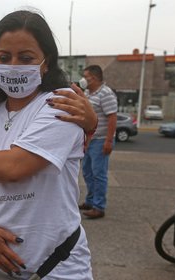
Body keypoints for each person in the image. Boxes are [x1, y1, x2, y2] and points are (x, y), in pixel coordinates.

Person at [0, 10, 92, 279]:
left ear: (46, 63)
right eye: (3, 58)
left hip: (56, 269)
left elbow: (15, 166)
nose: (13, 66)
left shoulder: (61, 104)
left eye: (25, 58)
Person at [78, 65, 118, 219]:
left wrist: (109, 140)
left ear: (93, 78)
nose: (83, 79)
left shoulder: (106, 94)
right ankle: (90, 201)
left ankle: (99, 207)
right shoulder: (88, 93)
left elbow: (112, 118)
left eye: (85, 76)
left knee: (99, 174)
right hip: (90, 140)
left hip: (101, 140)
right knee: (87, 172)